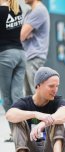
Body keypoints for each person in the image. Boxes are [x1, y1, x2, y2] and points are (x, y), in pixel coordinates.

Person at [6, 67, 65, 152]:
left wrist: (44, 122)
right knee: (16, 119)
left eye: (57, 86)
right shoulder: (24, 102)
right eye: (51, 86)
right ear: (38, 86)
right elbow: (9, 115)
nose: (55, 90)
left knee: (56, 118)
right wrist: (35, 114)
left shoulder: (57, 100)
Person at [0, 0, 26, 142]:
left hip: (5, 56)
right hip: (21, 54)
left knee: (6, 98)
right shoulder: (18, 9)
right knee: (17, 95)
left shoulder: (1, 11)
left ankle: (15, 133)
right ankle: (24, 131)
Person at [21, 0, 50, 96]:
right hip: (28, 56)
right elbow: (23, 33)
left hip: (35, 57)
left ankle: (47, 111)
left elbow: (21, 35)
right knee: (29, 95)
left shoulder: (39, 10)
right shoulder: (30, 12)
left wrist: (25, 33)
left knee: (37, 94)